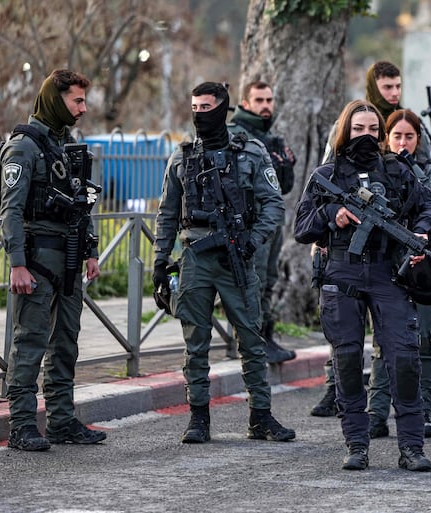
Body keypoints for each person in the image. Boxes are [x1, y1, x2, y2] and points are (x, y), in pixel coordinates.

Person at [294, 99, 431, 471]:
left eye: (373, 130)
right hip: (342, 274)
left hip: (387, 274)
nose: (366, 136)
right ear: (345, 131)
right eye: (359, 129)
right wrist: (333, 214)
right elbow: (302, 227)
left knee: (404, 359)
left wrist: (421, 230)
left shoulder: (397, 171)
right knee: (347, 361)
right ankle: (356, 445)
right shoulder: (327, 174)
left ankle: (411, 447)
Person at [153, 82, 295, 444]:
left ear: (223, 108)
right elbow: (167, 213)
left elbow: (273, 204)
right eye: (195, 107)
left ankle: (260, 417)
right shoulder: (183, 155)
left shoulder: (250, 151)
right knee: (195, 342)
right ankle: (198, 419)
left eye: (207, 107)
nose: (200, 113)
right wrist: (159, 261)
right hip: (195, 257)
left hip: (237, 256)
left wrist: (253, 240)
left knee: (251, 337)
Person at [310, 60, 431, 416]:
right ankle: (338, 394)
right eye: (387, 87)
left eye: (398, 87)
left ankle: (406, 413)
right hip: (346, 259)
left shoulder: (405, 146)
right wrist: (325, 226)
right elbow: (323, 185)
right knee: (345, 339)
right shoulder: (344, 133)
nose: (394, 93)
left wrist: (420, 226)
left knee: (404, 342)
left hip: (390, 258)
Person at [0, 69, 106, 451]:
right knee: (29, 343)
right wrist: (16, 263)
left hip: (71, 259)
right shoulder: (23, 147)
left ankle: (61, 422)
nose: (83, 108)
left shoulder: (66, 146)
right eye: (77, 100)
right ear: (54, 98)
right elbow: (10, 211)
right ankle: (22, 426)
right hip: (37, 259)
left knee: (66, 343)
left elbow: (82, 202)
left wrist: (91, 250)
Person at [367, 109, 431, 440]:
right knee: (385, 340)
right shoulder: (376, 169)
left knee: (423, 339)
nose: (402, 142)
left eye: (409, 137)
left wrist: (411, 169)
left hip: (422, 262)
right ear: (386, 138)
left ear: (418, 140)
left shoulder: (426, 170)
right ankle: (377, 411)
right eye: (396, 136)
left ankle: (423, 410)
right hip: (386, 263)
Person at [227, 80, 297, 364]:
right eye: (259, 101)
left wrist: (285, 164)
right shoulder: (237, 135)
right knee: (251, 283)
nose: (266, 106)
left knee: (268, 281)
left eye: (269, 100)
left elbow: (284, 186)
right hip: (250, 224)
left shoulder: (270, 138)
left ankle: (265, 338)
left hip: (271, 223)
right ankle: (249, 343)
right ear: (245, 104)